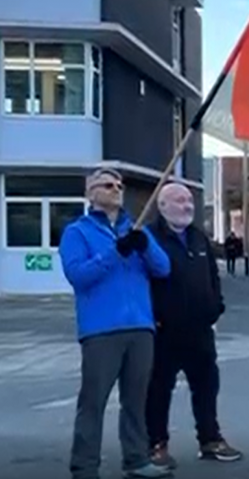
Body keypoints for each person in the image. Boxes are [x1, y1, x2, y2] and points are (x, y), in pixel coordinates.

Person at [59, 168, 172, 479]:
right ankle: (84, 466)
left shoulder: (134, 228)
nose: (116, 189)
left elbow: (163, 268)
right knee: (93, 401)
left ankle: (136, 459)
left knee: (136, 400)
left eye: (119, 185)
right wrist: (114, 252)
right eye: (107, 185)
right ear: (90, 193)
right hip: (101, 329)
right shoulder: (77, 232)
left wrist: (144, 246)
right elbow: (78, 275)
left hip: (140, 326)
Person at [145, 183, 242, 469]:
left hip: (200, 330)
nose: (187, 206)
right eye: (179, 200)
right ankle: (156, 444)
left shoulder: (199, 238)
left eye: (189, 200)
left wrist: (216, 307)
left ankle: (210, 440)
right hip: (165, 332)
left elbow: (213, 277)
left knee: (207, 386)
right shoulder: (150, 238)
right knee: (159, 389)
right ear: (162, 206)